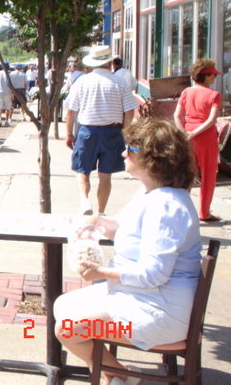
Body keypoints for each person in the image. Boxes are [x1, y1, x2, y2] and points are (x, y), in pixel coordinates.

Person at [54, 118, 202, 385]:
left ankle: (115, 375)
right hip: (143, 299)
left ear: (152, 159)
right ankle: (115, 374)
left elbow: (153, 274)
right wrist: (95, 222)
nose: (123, 153)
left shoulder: (167, 207)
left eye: (130, 149)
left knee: (67, 328)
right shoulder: (151, 194)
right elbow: (120, 226)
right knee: (61, 306)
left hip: (159, 313)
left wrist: (101, 272)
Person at [65, 45, 138, 216]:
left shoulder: (82, 81)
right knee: (105, 175)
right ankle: (101, 211)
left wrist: (69, 133)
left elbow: (71, 111)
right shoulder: (120, 83)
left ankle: (84, 200)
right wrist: (126, 134)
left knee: (82, 170)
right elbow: (129, 111)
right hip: (113, 132)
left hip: (87, 131)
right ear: (111, 62)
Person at [174, 58, 223, 222]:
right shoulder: (214, 95)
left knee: (187, 174)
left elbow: (177, 116)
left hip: (187, 135)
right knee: (208, 175)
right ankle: (204, 212)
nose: (215, 78)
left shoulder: (187, 92)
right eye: (213, 75)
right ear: (207, 76)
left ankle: (183, 212)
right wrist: (194, 133)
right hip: (206, 138)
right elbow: (211, 121)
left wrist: (184, 133)